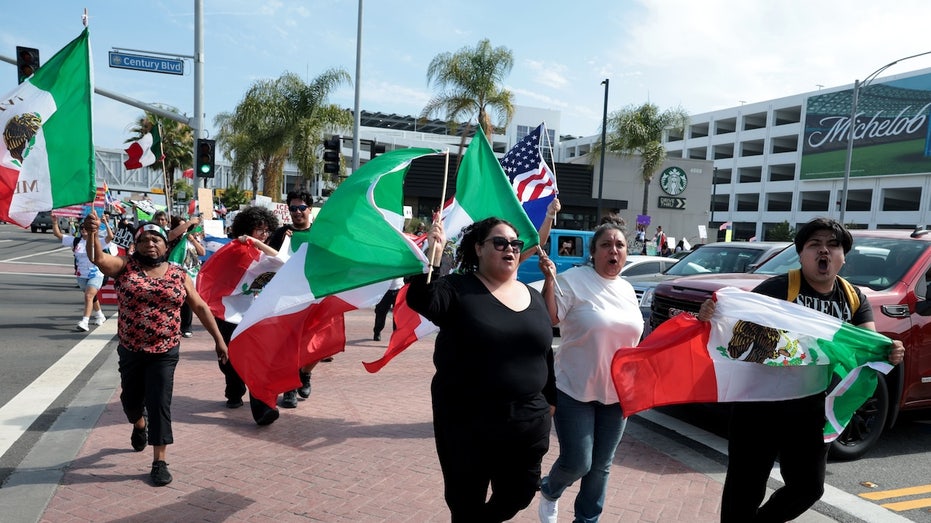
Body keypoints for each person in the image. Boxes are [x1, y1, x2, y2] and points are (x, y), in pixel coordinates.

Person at [696, 217, 905, 522]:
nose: (824, 251)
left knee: (808, 487)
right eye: (814, 244)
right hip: (759, 406)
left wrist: (890, 350)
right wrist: (711, 314)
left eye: (833, 245)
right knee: (745, 488)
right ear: (801, 254)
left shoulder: (853, 297)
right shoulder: (777, 288)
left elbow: (867, 344)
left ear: (843, 257)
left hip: (809, 407)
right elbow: (736, 328)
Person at [406, 217, 556, 522]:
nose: (509, 249)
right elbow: (423, 299)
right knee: (465, 502)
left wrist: (551, 399)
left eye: (515, 243)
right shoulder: (457, 288)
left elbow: (544, 352)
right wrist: (433, 257)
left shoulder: (533, 296)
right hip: (468, 423)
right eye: (499, 242)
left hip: (527, 422)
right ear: (478, 248)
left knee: (520, 493)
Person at [81, 210, 229, 487]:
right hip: (131, 348)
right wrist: (92, 233)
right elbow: (98, 259)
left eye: (156, 239)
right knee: (130, 402)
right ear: (136, 245)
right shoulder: (124, 266)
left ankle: (159, 461)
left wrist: (219, 340)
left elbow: (199, 306)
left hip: (165, 350)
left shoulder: (178, 273)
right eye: (144, 240)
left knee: (159, 402)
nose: (150, 243)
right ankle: (139, 424)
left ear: (165, 244)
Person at [536, 222, 643, 523]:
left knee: (601, 466)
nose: (613, 250)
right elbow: (551, 317)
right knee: (578, 462)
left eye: (620, 245)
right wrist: (548, 281)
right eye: (606, 245)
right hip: (574, 388)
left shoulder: (626, 289)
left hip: (617, 394)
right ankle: (551, 488)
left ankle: (586, 519)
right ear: (593, 252)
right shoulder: (573, 280)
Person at [211, 206, 283, 425]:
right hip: (228, 314)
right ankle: (234, 390)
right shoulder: (230, 251)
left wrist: (258, 243)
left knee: (255, 361)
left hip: (255, 315)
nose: (264, 234)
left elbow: (282, 262)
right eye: (259, 230)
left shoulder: (264, 253)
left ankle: (262, 408)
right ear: (246, 229)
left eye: (267, 230)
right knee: (230, 360)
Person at [267, 190, 316, 408]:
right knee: (289, 345)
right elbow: (267, 260)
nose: (297, 212)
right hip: (287, 298)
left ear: (309, 209)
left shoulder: (320, 232)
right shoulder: (281, 233)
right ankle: (290, 389)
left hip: (314, 295)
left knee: (317, 344)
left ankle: (305, 373)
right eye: (293, 208)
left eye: (301, 208)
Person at [52, 214, 113, 331]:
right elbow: (58, 234)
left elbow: (110, 237)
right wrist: (54, 222)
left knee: (88, 296)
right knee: (91, 297)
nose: (84, 230)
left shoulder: (98, 241)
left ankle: (85, 321)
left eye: (86, 227)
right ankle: (100, 315)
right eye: (82, 228)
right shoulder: (76, 241)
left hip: (96, 273)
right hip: (81, 274)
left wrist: (105, 222)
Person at [169, 215, 206, 338]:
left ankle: (186, 327)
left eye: (185, 225)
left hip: (188, 273)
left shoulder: (190, 238)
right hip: (172, 271)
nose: (184, 228)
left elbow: (202, 252)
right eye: (181, 225)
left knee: (188, 299)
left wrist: (193, 240)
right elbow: (173, 234)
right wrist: (190, 222)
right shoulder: (172, 237)